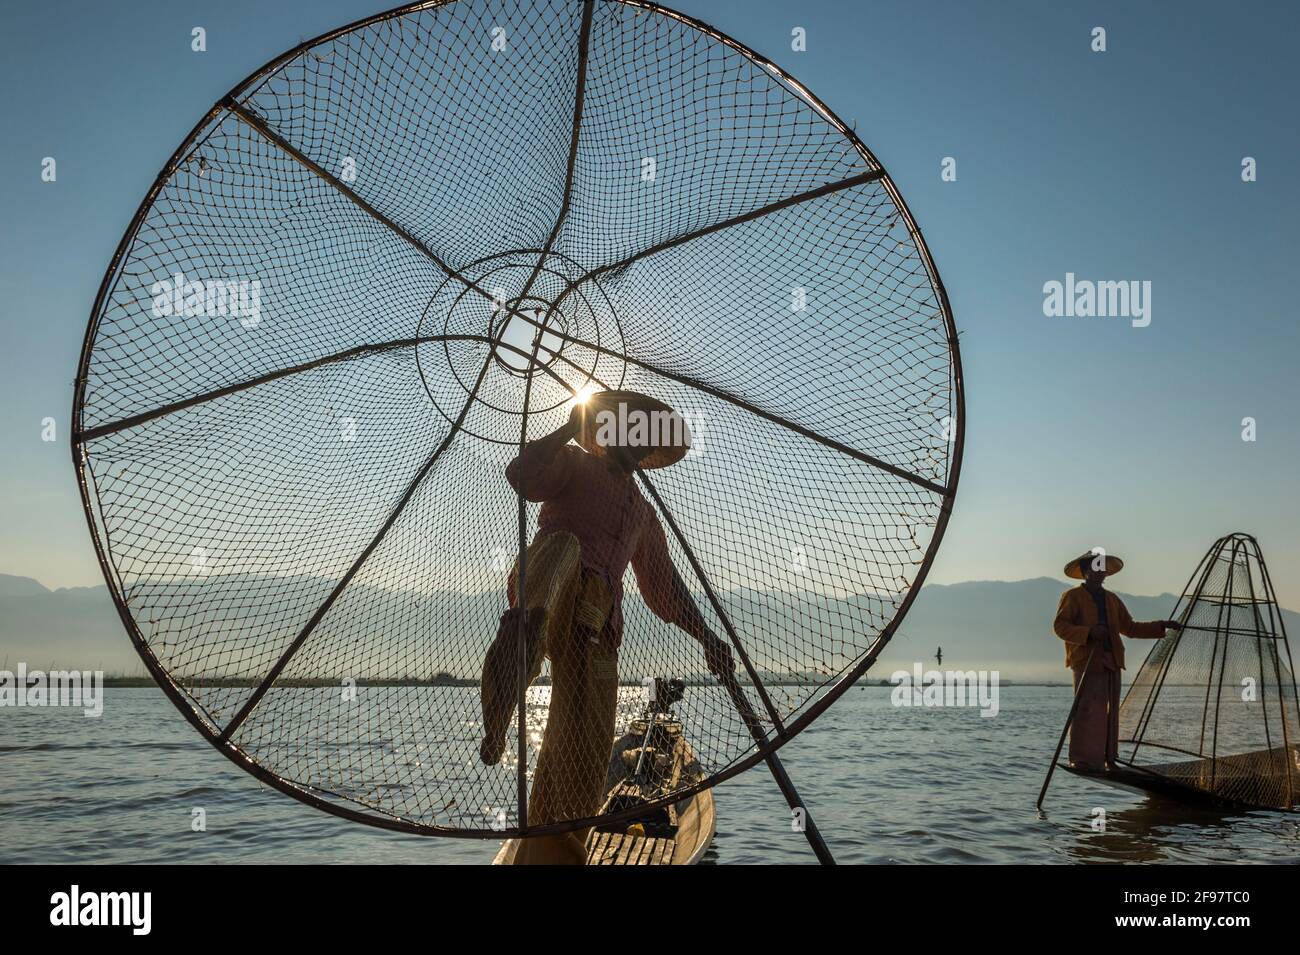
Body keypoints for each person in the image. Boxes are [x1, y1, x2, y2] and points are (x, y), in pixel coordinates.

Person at [478, 390, 734, 864]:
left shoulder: (642, 512)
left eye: (645, 437)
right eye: (629, 430)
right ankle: (509, 684)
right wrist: (565, 428)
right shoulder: (574, 464)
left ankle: (551, 853)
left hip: (597, 631)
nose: (635, 443)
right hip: (550, 593)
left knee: (582, 756)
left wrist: (708, 638)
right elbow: (523, 475)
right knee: (563, 552)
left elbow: (665, 589)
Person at [1053, 551, 1182, 771]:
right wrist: (1089, 632)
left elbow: (1130, 628)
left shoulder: (1112, 599)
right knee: (1087, 710)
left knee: (1112, 713)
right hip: (1086, 662)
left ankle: (1109, 758)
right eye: (1095, 567)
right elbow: (1061, 627)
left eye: (1101, 568)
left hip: (1111, 661)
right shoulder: (1072, 597)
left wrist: (1161, 626)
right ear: (1085, 572)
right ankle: (1082, 760)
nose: (1099, 572)